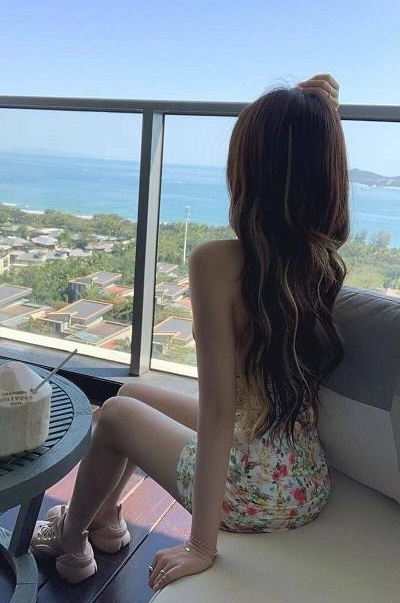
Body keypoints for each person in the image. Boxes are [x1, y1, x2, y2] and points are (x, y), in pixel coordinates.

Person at [30, 73, 348, 592]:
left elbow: (218, 412)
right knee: (133, 394)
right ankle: (106, 519)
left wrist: (201, 544)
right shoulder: (321, 259)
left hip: (250, 492)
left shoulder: (216, 262)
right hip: (303, 480)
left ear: (246, 170)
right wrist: (326, 119)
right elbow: (323, 178)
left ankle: (70, 539)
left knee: (114, 416)